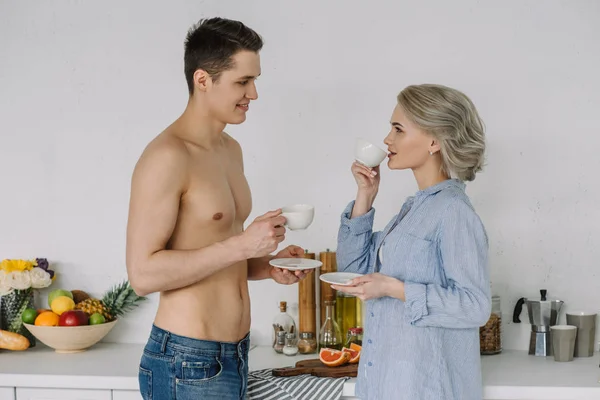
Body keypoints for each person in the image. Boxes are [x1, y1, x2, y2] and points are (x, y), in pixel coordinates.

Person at [125, 17, 308, 400]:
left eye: (254, 80)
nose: (253, 94)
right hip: (185, 360)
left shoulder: (230, 149)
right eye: (242, 82)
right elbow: (142, 274)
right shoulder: (167, 157)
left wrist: (267, 265)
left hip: (234, 354)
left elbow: (214, 251)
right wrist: (243, 246)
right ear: (202, 80)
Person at [333, 84, 491, 400]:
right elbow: (353, 271)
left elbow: (476, 307)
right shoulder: (412, 209)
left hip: (425, 388)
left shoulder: (454, 211)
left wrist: (394, 288)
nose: (387, 140)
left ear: (434, 141)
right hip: (386, 383)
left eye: (398, 129)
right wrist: (365, 195)